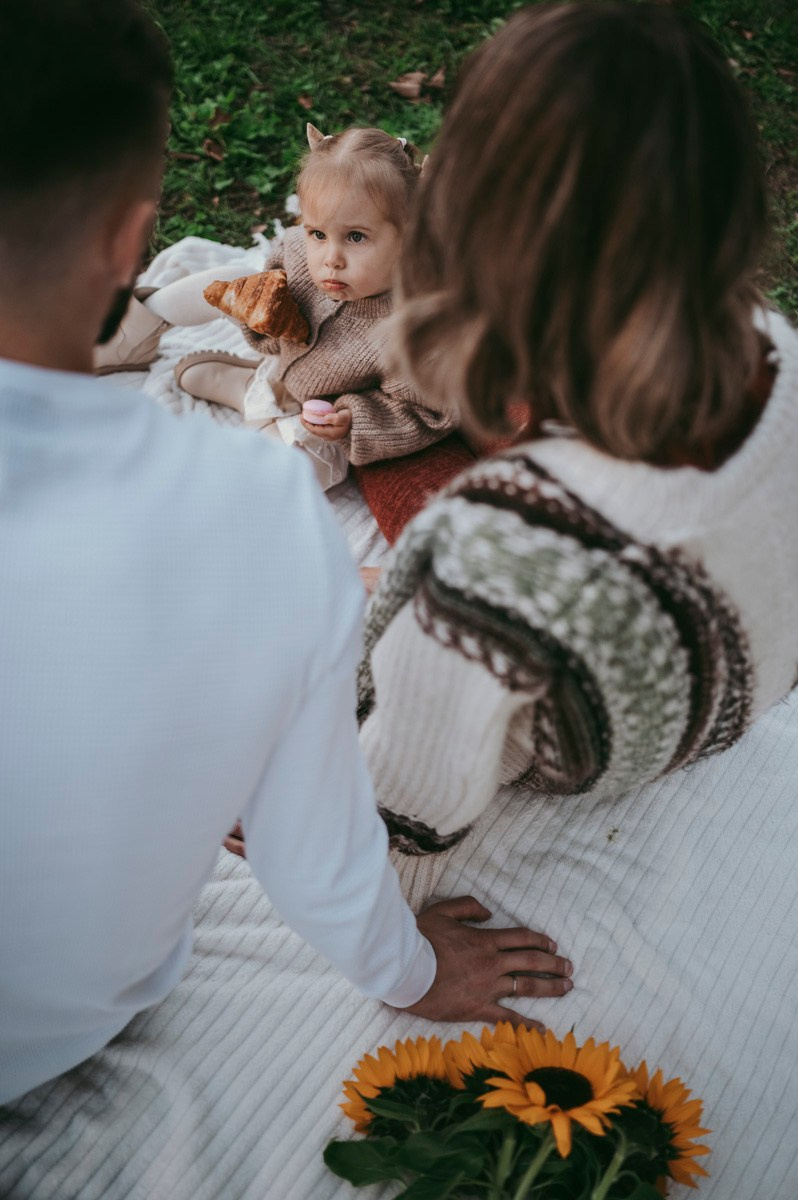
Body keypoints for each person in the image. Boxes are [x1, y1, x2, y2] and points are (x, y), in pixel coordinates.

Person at [0, 0, 573, 1108]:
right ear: (130, 238)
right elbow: (309, 845)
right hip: (49, 1022)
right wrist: (412, 973)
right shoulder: (254, 513)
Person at [357, 2, 798, 862]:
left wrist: (428, 610)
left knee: (374, 468)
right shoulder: (778, 350)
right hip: (717, 692)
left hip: (574, 748)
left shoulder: (485, 551)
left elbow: (408, 798)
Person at [95, 124, 456, 490]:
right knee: (230, 282)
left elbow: (426, 412)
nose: (330, 258)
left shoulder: (413, 330)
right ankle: (129, 334)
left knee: (303, 465)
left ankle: (248, 393)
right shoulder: (298, 252)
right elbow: (271, 321)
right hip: (281, 360)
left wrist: (351, 420)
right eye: (318, 233)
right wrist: (258, 317)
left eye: (356, 237)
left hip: (319, 415)